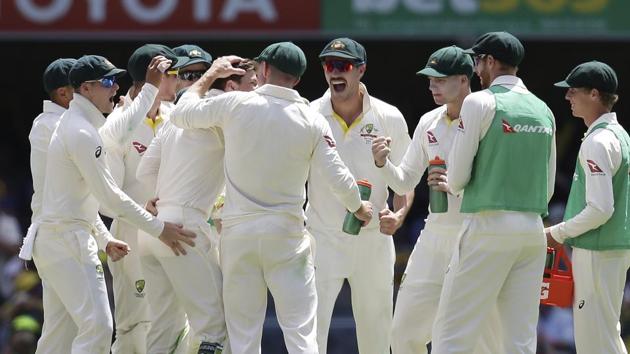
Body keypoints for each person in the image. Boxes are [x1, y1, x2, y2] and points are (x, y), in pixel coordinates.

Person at [170, 43, 373, 354]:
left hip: (240, 237)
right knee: (301, 334)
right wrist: (358, 207)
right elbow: (338, 175)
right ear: (298, 79)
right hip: (287, 237)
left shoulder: (236, 103)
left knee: (244, 337)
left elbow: (182, 114)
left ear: (263, 70)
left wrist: (211, 74)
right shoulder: (310, 119)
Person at [31, 55, 196, 354]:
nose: (115, 87)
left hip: (58, 239)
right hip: (67, 241)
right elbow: (110, 197)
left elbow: (123, 127)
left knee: (59, 336)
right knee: (98, 327)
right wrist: (160, 229)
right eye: (107, 82)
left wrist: (149, 88)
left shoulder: (79, 125)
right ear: (85, 88)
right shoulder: (80, 132)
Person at [427, 32, 556, 354]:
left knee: (452, 331)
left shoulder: (479, 101)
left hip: (487, 225)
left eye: (477, 61)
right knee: (520, 338)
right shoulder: (543, 109)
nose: (475, 69)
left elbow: (456, 178)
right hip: (531, 230)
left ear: (490, 61)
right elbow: (549, 185)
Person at [372, 45, 502, 354]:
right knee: (403, 335)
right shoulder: (428, 121)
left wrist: (454, 185)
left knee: (484, 344)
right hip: (434, 236)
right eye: (430, 79)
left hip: (476, 235)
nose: (432, 86)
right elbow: (404, 180)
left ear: (462, 78)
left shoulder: (489, 118)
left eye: (440, 80)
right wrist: (382, 164)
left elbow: (498, 184)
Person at [134, 57, 257, 354]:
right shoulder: (226, 114)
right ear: (230, 85)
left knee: (163, 330)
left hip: (155, 230)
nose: (258, 91)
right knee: (215, 328)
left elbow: (144, 172)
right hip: (184, 231)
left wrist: (159, 200)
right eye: (253, 84)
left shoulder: (174, 119)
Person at [308, 37, 412, 354]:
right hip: (322, 237)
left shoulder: (389, 116)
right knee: (309, 332)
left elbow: (406, 181)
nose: (335, 72)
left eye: (344, 65)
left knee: (377, 333)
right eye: (329, 65)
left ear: (361, 69)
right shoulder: (309, 114)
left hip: (373, 239)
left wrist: (399, 215)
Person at [99, 44, 185, 354]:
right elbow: (105, 200)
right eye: (173, 74)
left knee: (178, 323)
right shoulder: (117, 126)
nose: (179, 81)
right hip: (133, 237)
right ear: (155, 77)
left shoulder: (177, 118)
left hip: (176, 235)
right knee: (136, 327)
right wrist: (147, 216)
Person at [546, 61, 630, 354]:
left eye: (573, 91)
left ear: (594, 94)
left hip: (598, 249)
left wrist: (557, 232)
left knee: (595, 341)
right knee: (604, 335)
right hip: (608, 249)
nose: (567, 97)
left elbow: (600, 209)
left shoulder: (599, 141)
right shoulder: (618, 135)